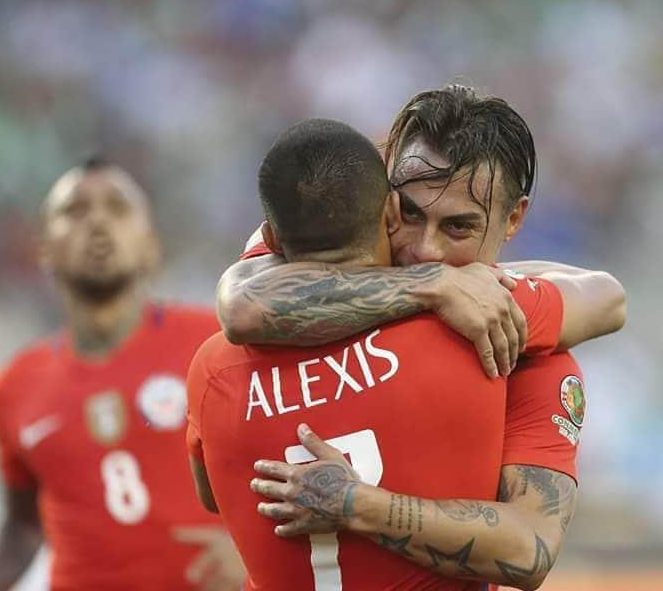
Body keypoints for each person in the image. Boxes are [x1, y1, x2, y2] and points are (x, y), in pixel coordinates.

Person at [216, 87, 626, 590]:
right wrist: (434, 285)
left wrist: (358, 504)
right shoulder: (315, 251)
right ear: (383, 194)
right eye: (409, 213)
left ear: (514, 219)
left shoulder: (513, 341)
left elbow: (529, 548)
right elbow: (241, 305)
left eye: (458, 227)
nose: (424, 249)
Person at [0, 158, 245, 591]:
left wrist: (251, 548)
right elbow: (23, 523)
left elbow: (286, 460)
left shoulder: (218, 343)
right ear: (43, 250)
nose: (97, 221)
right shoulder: (15, 384)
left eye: (117, 208)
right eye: (74, 211)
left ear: (150, 243)